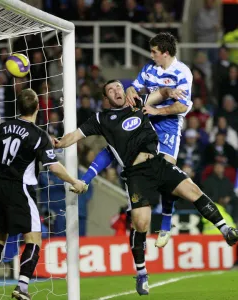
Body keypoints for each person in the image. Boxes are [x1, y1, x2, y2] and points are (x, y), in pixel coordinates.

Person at [54, 80, 238, 296]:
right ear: (106, 98)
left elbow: (161, 93)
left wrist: (169, 91)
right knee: (141, 224)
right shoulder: (100, 119)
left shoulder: (137, 101)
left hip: (158, 163)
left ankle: (226, 230)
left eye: (118, 87)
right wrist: (58, 143)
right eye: (111, 90)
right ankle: (141, 273)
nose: (116, 91)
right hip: (136, 174)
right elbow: (74, 136)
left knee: (193, 191)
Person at [0, 88, 86, 300]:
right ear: (37, 108)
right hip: (21, 188)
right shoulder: (38, 135)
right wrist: (75, 181)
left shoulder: (2, 128)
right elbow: (53, 166)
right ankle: (23, 287)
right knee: (34, 237)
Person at [126, 32, 193, 248]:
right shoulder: (149, 68)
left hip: (169, 126)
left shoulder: (182, 72)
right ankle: (138, 223)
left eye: (154, 52)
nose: (151, 55)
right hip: (147, 124)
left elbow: (182, 106)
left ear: (165, 53)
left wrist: (156, 110)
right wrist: (129, 90)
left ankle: (165, 223)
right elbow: (135, 88)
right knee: (138, 171)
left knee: (166, 175)